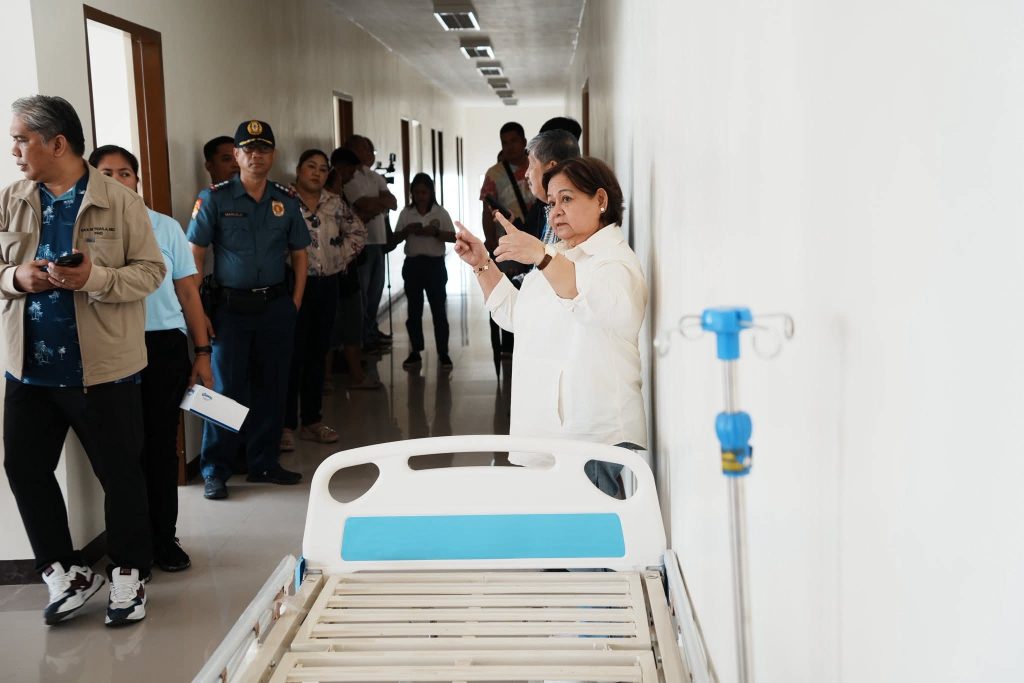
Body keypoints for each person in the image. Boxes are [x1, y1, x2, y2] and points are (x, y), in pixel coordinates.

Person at [1, 95, 166, 626]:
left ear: (57, 143)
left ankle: (129, 574)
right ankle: (64, 571)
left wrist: (93, 277)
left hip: (102, 370)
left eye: (21, 139)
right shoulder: (11, 198)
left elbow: (150, 272)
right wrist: (15, 277)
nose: (14, 150)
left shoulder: (119, 202)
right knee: (24, 469)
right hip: (29, 369)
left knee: (120, 475)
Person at [454, 157, 647, 498]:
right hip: (554, 433)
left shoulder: (614, 262)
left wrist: (541, 255)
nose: (555, 211)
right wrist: (482, 263)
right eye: (551, 203)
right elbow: (517, 316)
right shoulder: (560, 254)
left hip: (593, 437)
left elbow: (584, 298)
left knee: (591, 527)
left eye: (566, 199)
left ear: (601, 200)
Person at [88, 144, 213, 573]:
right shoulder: (86, 229)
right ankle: (130, 549)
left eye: (125, 173)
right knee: (121, 454)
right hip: (108, 347)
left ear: (137, 180)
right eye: (106, 173)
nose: (117, 181)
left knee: (160, 448)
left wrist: (202, 352)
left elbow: (188, 292)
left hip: (161, 347)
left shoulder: (165, 227)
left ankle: (164, 539)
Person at [186, 119, 310, 500]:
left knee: (272, 387)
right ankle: (215, 469)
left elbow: (300, 255)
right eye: (248, 149)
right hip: (229, 310)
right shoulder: (215, 199)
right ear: (237, 156)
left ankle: (263, 462)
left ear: (273, 155)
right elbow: (195, 255)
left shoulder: (286, 200)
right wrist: (199, 310)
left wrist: (294, 303)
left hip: (274, 307)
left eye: (264, 149)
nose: (256, 155)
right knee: (224, 389)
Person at [282, 149, 367, 451]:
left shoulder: (334, 202)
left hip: (326, 284)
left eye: (322, 169)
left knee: (317, 353)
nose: (316, 173)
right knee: (291, 356)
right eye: (311, 167)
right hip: (291, 284)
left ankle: (312, 421)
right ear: (298, 169)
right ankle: (285, 426)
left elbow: (358, 233)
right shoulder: (282, 200)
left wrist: (336, 258)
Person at [479, 122, 536, 361]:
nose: (509, 146)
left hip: (537, 240)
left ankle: (530, 339)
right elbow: (486, 212)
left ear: (524, 141)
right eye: (505, 142)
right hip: (507, 245)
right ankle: (507, 345)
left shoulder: (536, 166)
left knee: (533, 290)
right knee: (507, 290)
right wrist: (492, 244)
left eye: (514, 141)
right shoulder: (494, 174)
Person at [326, 147, 381, 390]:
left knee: (351, 324)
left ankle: (354, 374)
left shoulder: (341, 203)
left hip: (347, 273)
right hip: (330, 276)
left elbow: (356, 230)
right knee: (331, 326)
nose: (347, 181)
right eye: (345, 175)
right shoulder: (323, 208)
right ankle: (330, 377)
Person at [394, 173, 456, 370]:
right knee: (414, 311)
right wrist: (407, 231)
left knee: (439, 310)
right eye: (417, 192)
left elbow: (453, 237)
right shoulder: (406, 213)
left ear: (431, 193)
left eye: (424, 192)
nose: (420, 196)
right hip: (413, 265)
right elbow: (395, 237)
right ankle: (415, 351)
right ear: (411, 193)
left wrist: (436, 232)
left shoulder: (440, 212)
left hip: (435, 266)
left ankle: (443, 353)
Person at [344, 135, 397, 350]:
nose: (369, 153)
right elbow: (362, 204)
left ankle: (371, 331)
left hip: (379, 241)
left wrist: (374, 204)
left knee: (375, 292)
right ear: (351, 150)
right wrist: (378, 203)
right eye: (364, 149)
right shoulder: (349, 177)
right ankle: (362, 338)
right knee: (362, 295)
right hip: (360, 244)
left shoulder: (374, 176)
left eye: (369, 149)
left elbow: (392, 202)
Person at [525, 128, 581, 246]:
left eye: (531, 165)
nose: (526, 174)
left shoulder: (572, 214)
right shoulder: (549, 209)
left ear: (552, 168)